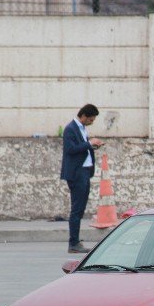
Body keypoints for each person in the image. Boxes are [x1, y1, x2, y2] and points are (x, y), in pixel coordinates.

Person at [61, 104, 103, 253]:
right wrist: (89, 143)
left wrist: (93, 145)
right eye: (90, 119)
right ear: (84, 115)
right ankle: (73, 243)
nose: (91, 122)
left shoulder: (82, 129)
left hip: (85, 172)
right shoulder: (70, 129)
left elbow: (82, 149)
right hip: (76, 173)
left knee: (80, 209)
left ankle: (75, 241)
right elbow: (70, 149)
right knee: (77, 209)